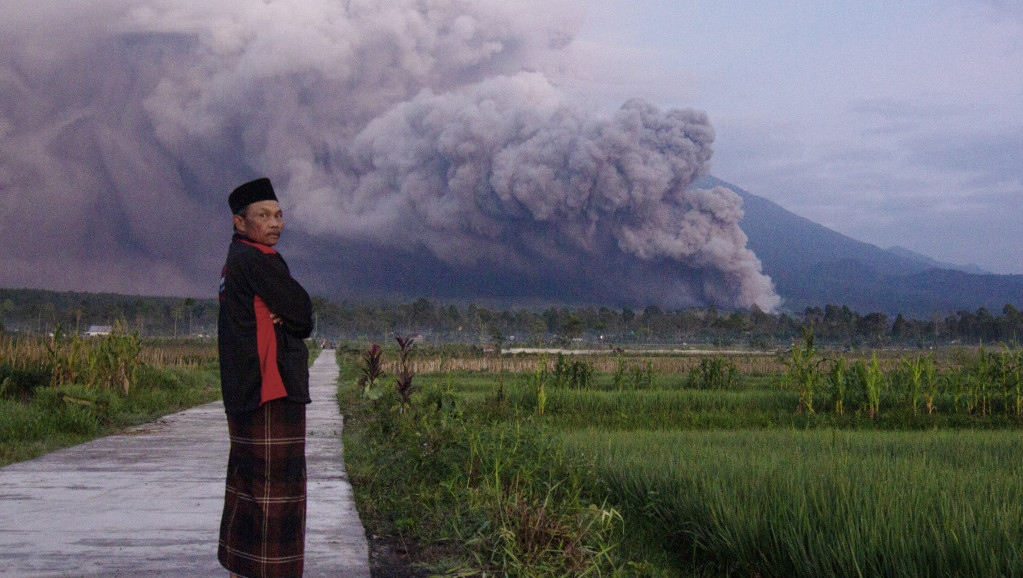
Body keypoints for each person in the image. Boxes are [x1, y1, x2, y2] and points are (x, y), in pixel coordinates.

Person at [217, 177, 313, 578]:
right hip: (269, 389)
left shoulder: (235, 259)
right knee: (278, 489)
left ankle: (245, 564)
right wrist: (291, 314)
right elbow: (303, 313)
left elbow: (290, 311)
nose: (274, 223)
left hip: (245, 390)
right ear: (240, 222)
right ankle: (272, 571)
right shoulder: (258, 259)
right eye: (263, 216)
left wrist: (286, 314)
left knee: (250, 482)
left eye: (278, 215)